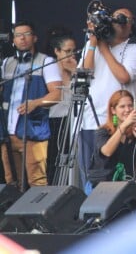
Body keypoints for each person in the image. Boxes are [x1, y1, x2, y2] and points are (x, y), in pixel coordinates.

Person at [79, 7, 136, 191]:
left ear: (132, 26)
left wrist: (103, 47)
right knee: (90, 174)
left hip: (118, 123)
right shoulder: (94, 46)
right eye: (116, 19)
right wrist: (93, 42)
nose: (120, 22)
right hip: (90, 121)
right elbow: (85, 74)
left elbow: (124, 77)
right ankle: (90, 215)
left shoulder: (135, 49)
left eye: (125, 19)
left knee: (114, 174)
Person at [0, 21, 63, 188]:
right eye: (18, 35)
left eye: (26, 34)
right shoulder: (7, 63)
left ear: (35, 38)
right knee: (11, 184)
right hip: (8, 132)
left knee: (37, 183)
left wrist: (36, 103)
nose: (22, 38)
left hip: (33, 131)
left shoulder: (46, 61)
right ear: (13, 39)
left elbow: (57, 94)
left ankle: (36, 215)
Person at [87, 90, 136, 198]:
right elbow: (107, 152)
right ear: (113, 110)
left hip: (127, 186)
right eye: (122, 107)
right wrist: (125, 125)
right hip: (103, 186)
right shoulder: (103, 131)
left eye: (130, 106)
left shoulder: (135, 132)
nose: (127, 110)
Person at [45, 27, 77, 185]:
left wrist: (75, 72)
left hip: (72, 120)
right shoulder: (49, 70)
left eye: (74, 51)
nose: (71, 55)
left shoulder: (76, 69)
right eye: (67, 51)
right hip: (55, 120)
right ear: (57, 51)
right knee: (53, 160)